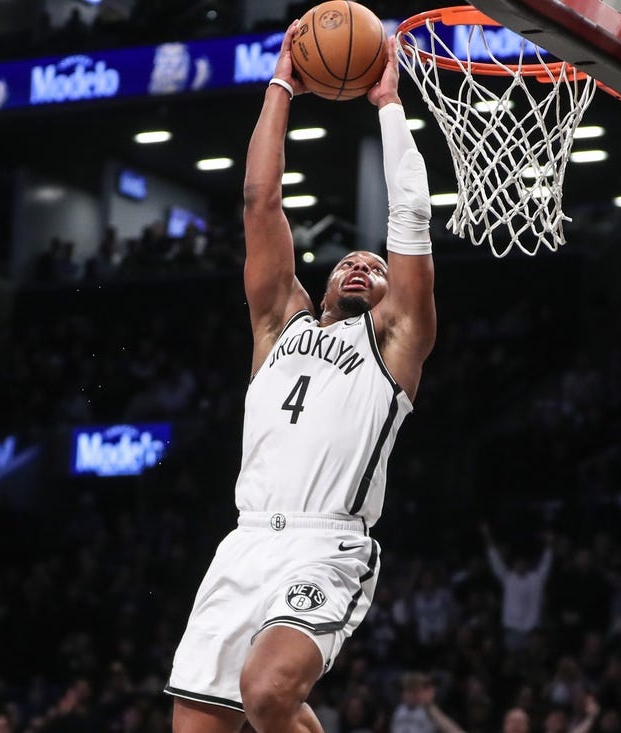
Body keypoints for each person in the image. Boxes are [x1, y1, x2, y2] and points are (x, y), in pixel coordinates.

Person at [164, 18, 437, 733]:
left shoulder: (397, 341)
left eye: (375, 265)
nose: (360, 263)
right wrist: (281, 82)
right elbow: (260, 203)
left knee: (267, 690)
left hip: (326, 542)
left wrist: (386, 104)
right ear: (319, 282)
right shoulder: (275, 327)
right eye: (347, 259)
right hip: (245, 539)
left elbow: (409, 212)